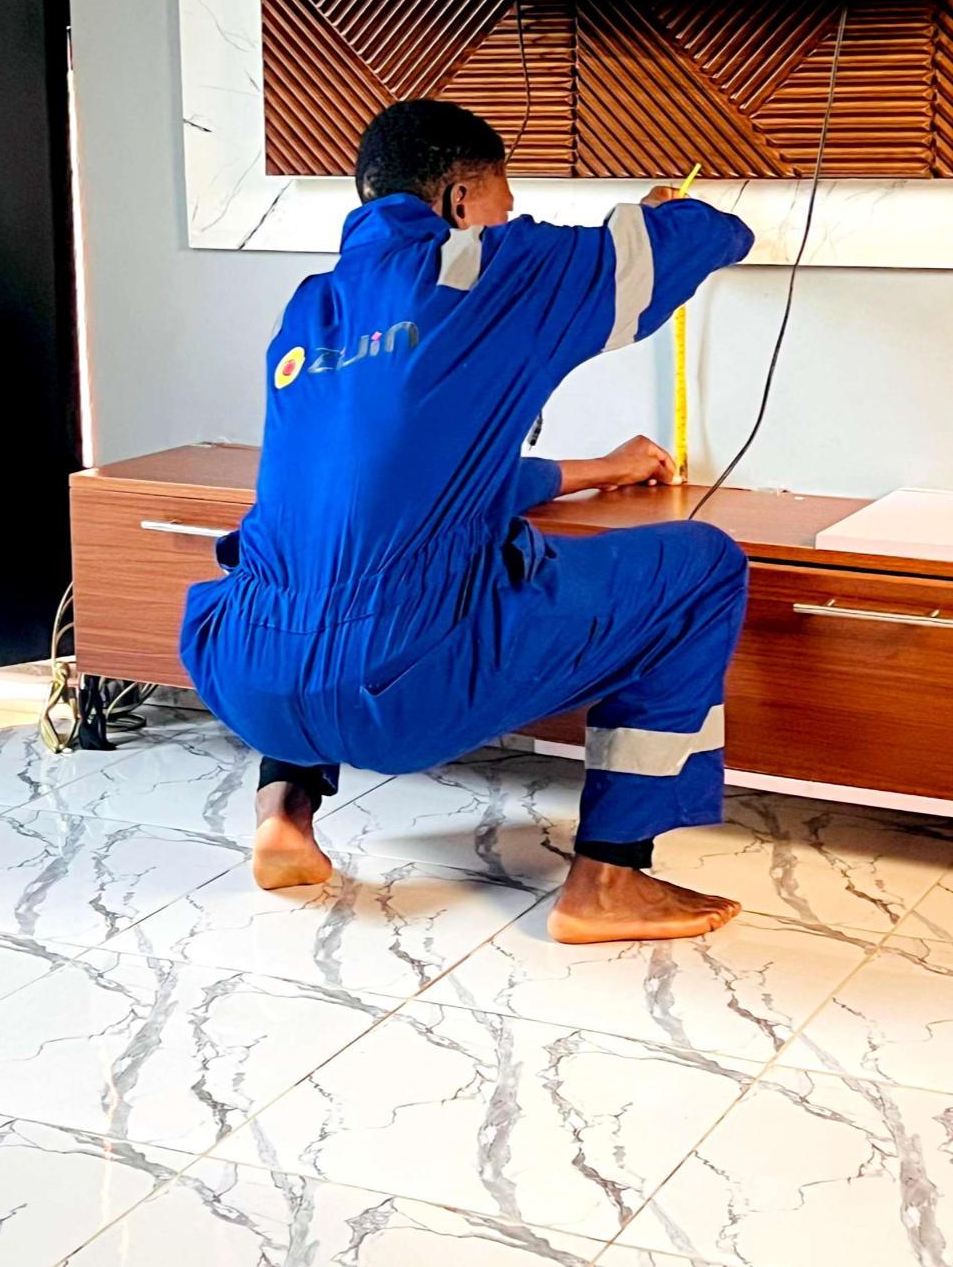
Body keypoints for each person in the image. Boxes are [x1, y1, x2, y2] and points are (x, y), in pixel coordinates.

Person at [180, 99, 756, 942]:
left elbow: (416, 480)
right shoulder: (491, 265)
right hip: (400, 691)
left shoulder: (312, 305)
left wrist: (597, 469)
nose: (511, 218)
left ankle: (283, 817)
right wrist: (667, 211)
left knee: (328, 560)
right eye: (504, 201)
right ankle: (610, 876)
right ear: (459, 199)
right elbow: (702, 239)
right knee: (701, 565)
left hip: (242, 677)